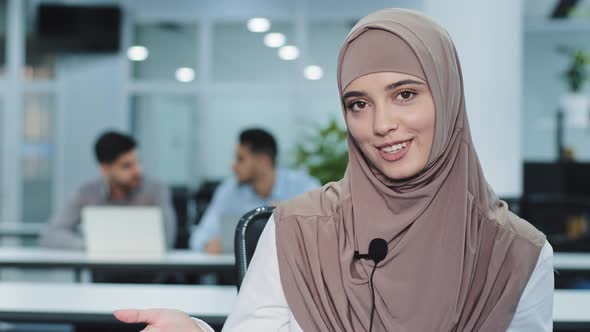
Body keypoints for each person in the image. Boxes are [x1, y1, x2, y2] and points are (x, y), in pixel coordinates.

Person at [114, 8, 554, 331]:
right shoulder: (297, 231)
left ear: (448, 96)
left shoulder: (516, 254)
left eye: (405, 94)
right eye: (358, 104)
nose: (381, 125)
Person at [189, 128, 320, 254]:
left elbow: (322, 234)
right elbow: (198, 237)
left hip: (290, 271)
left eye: (240, 159)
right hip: (241, 273)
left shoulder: (304, 187)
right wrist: (208, 245)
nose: (233, 166)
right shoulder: (229, 191)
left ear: (263, 161)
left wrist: (291, 216)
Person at [41, 131, 177, 250]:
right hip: (104, 275)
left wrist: (112, 246)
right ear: (104, 169)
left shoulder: (155, 190)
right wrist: (90, 246)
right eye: (126, 166)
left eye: (137, 162)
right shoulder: (87, 193)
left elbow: (166, 240)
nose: (138, 171)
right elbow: (51, 234)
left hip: (151, 275)